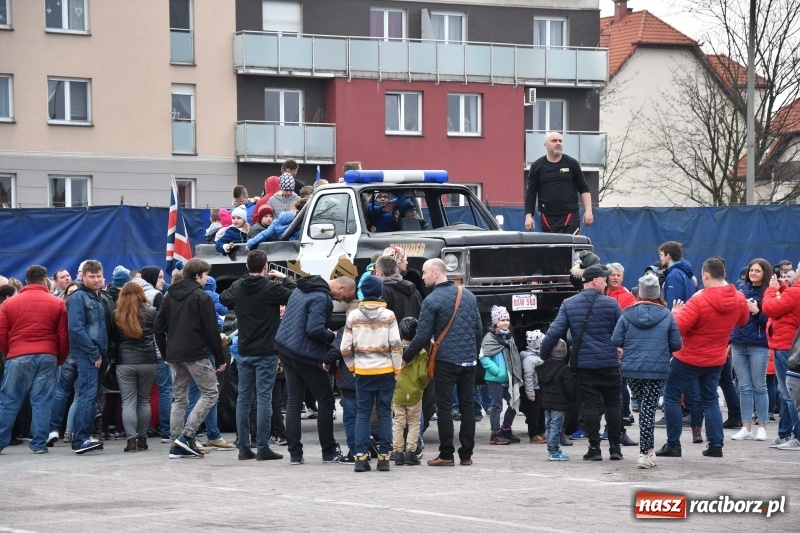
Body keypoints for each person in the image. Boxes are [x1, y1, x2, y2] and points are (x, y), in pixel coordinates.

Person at [657, 258, 749, 459]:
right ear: (723, 274)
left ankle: (673, 444)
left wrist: (675, 313)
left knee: (671, 395)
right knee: (711, 399)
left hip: (689, 357)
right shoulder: (739, 298)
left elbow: (678, 328)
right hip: (716, 358)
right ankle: (716, 445)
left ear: (706, 275)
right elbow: (743, 320)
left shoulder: (699, 300)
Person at [402, 259, 483, 467]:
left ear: (436, 274)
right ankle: (466, 455)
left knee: (445, 407)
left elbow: (421, 336)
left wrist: (405, 357)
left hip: (445, 361)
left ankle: (446, 454)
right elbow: (478, 329)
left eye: (425, 272)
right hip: (469, 361)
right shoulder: (469, 295)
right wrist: (472, 353)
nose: (422, 276)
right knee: (467, 407)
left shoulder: (431, 300)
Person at [540, 264, 623, 461]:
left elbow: (554, 332)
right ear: (595, 280)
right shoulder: (611, 304)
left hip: (585, 366)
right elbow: (622, 332)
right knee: (613, 406)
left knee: (591, 406)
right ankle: (615, 449)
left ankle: (594, 449)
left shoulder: (569, 304)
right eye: (605, 280)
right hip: (610, 364)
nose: (607, 284)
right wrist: (620, 348)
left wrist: (544, 355)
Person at [219, 250, 296, 461]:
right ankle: (262, 447)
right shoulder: (271, 288)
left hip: (244, 350)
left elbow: (224, 298)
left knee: (244, 398)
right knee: (264, 398)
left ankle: (243, 446)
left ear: (246, 266)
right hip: (266, 351)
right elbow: (294, 293)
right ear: (265, 266)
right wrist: (285, 278)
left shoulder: (238, 287)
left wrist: (239, 286)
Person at [275, 275, 355, 465]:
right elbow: (314, 329)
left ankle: (295, 454)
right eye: (343, 297)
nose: (340, 301)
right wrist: (333, 336)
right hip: (305, 354)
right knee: (326, 400)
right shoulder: (321, 297)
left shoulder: (301, 287)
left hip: (284, 348)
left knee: (294, 400)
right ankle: (328, 451)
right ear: (341, 287)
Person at [154, 258, 227, 459]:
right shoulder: (201, 297)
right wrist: (220, 358)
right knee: (211, 393)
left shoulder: (169, 296)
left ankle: (175, 443)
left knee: (179, 398)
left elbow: (158, 327)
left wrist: (166, 352)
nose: (207, 279)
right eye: (206, 275)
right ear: (198, 275)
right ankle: (186, 436)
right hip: (195, 353)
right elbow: (212, 331)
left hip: (175, 354)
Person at [612, 275, 682, 469]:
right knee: (648, 410)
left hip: (632, 368)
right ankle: (644, 453)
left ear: (640, 292)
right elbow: (677, 343)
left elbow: (616, 339)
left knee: (643, 407)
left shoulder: (627, 314)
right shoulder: (666, 315)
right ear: (658, 293)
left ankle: (649, 451)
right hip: (657, 369)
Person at [0, 265, 69, 454]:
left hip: (18, 354)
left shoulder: (9, 303)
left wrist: (9, 352)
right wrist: (59, 357)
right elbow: (63, 335)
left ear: (26, 280)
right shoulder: (57, 303)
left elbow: (2, 333)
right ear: (45, 280)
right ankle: (39, 444)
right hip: (48, 355)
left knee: (9, 401)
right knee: (42, 402)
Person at [340, 275, 403, 472]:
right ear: (380, 293)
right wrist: (396, 369)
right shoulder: (389, 316)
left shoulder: (353, 316)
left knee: (363, 413)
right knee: (384, 413)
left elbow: (344, 348)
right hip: (385, 371)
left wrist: (352, 368)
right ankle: (384, 457)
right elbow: (396, 345)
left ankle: (360, 458)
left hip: (363, 372)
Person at [67, 260, 112, 455]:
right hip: (88, 354)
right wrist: (94, 353)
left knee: (91, 395)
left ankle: (85, 436)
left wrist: (107, 356)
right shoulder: (78, 297)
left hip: (100, 355)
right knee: (86, 395)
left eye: (98, 276)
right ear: (83, 277)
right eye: (91, 276)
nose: (96, 280)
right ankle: (81, 439)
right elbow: (75, 328)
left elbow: (106, 328)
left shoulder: (100, 296)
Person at [729, 258, 772, 442]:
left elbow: (770, 323)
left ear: (765, 274)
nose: (753, 273)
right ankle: (746, 426)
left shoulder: (769, 293)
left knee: (759, 386)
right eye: (752, 270)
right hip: (738, 343)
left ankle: (761, 425)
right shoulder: (741, 290)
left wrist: (757, 311)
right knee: (744, 386)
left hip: (758, 345)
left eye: (757, 271)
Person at [113, 282, 157, 453]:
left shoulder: (116, 315)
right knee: (144, 400)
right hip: (147, 360)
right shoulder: (152, 312)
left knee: (128, 401)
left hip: (125, 361)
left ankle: (131, 440)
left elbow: (115, 339)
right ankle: (143, 439)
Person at [524, 131, 593, 234]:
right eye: (554, 141)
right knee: (552, 249)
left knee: (571, 248)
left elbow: (583, 188)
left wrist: (588, 211)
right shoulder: (537, 166)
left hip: (570, 216)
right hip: (547, 217)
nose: (558, 143)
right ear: (546, 145)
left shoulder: (572, 163)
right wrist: (528, 216)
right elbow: (531, 193)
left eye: (560, 141)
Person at [762, 266, 800, 450]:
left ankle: (797, 436)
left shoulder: (795, 293)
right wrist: (782, 289)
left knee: (789, 395)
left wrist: (771, 290)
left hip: (786, 347)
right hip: (786, 347)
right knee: (787, 394)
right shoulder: (792, 292)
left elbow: (770, 308)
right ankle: (785, 433)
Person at [479, 306, 523, 446]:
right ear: (495, 321)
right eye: (502, 319)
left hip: (508, 378)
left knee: (513, 403)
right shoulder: (489, 338)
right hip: (495, 379)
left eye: (507, 319)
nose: (505, 322)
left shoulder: (509, 337)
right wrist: (497, 371)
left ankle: (506, 429)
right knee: (497, 406)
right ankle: (495, 434)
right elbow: (484, 357)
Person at [392, 317, 429, 466]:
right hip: (414, 392)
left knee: (398, 423)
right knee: (414, 423)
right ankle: (410, 453)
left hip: (397, 392)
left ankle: (398, 453)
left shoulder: (395, 350)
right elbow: (423, 375)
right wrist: (420, 386)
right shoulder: (421, 352)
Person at [537, 339, 575, 461]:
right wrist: (572, 399)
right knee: (556, 426)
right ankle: (553, 450)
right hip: (559, 402)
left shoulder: (543, 367)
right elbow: (569, 387)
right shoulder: (564, 369)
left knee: (548, 425)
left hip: (547, 400)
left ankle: (551, 447)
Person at [374, 254, 422, 322]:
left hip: (393, 331)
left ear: (380, 272)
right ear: (396, 269)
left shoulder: (383, 291)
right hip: (414, 331)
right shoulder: (414, 290)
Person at [519, 330, 546, 444]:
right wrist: (530, 394)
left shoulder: (537, 356)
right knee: (533, 414)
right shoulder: (529, 359)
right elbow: (528, 377)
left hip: (538, 389)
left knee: (541, 412)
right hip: (532, 391)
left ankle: (541, 432)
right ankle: (533, 435)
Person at [658, 241, 695, 308]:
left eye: (661, 255)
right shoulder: (685, 272)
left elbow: (672, 305)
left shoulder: (674, 275)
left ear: (668, 256)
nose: (660, 258)